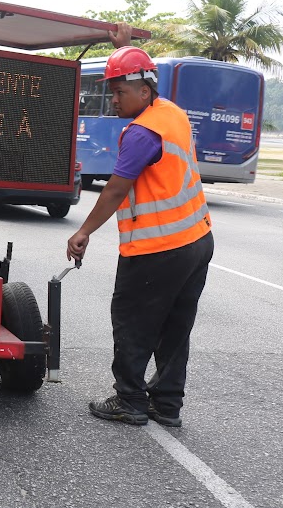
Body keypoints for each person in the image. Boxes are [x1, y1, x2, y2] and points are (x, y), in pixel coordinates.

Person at [66, 46, 213, 428]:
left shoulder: (142, 133)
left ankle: (129, 399)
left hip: (158, 247)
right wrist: (126, 43)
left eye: (119, 92)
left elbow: (115, 190)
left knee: (132, 321)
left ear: (144, 91)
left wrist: (83, 231)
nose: (113, 100)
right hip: (197, 240)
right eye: (111, 92)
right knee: (175, 327)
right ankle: (166, 404)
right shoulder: (172, 115)